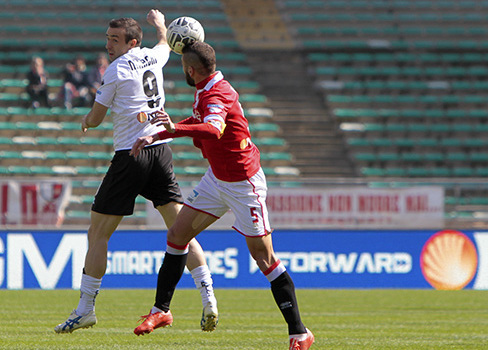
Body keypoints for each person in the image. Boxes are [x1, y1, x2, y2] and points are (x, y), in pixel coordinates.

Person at [130, 41, 314, 349]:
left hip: (244, 184)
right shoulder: (208, 87)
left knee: (264, 257)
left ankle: (299, 332)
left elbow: (213, 128)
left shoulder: (217, 93)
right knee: (177, 234)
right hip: (217, 179)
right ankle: (161, 310)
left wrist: (175, 128)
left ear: (190, 70)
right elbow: (200, 123)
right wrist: (160, 133)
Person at [54, 10, 218, 334]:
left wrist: (86, 120)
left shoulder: (116, 70)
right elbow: (162, 43)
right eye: (107, 38)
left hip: (131, 155)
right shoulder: (155, 57)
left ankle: (85, 308)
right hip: (160, 152)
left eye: (114, 40)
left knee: (97, 232)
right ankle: (208, 299)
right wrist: (161, 24)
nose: (108, 45)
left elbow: (98, 117)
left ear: (131, 42)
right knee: (181, 229)